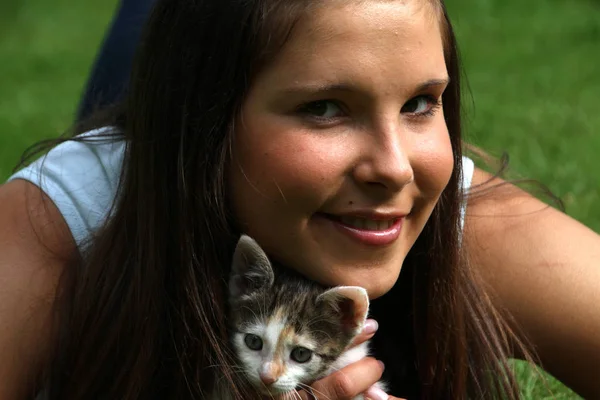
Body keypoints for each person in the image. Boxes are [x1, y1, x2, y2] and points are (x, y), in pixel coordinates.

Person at [1, 0, 599, 399]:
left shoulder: (439, 204)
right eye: (324, 107)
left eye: (419, 101)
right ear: (206, 126)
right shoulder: (61, 223)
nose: (394, 169)